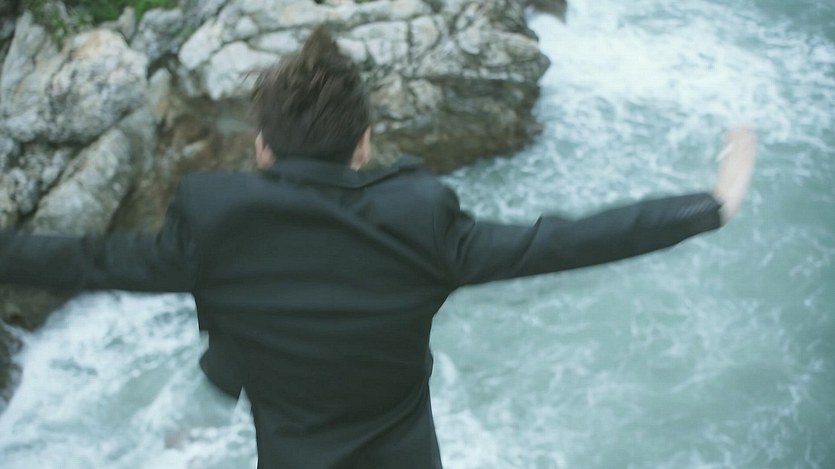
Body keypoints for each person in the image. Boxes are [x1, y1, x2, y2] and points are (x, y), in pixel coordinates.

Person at [0, 27, 756, 468]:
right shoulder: (420, 222)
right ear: (362, 145)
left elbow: (82, 260)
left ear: (262, 147)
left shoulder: (215, 225)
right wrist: (709, 206)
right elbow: (559, 241)